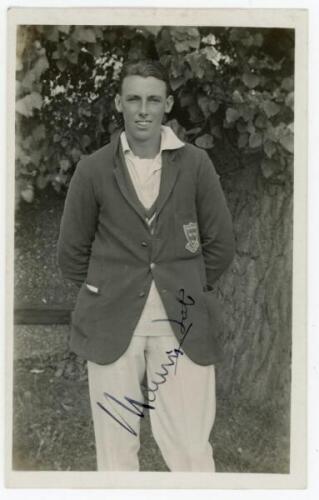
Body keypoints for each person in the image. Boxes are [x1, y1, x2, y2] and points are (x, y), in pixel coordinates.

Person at [57, 59, 235, 472]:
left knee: (191, 450)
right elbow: (71, 254)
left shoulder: (194, 164)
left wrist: (185, 284)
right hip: (112, 324)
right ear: (119, 103)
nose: (142, 109)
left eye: (153, 100)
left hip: (183, 323)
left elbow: (220, 244)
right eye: (133, 99)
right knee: (116, 455)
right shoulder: (93, 169)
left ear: (167, 104)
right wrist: (110, 290)